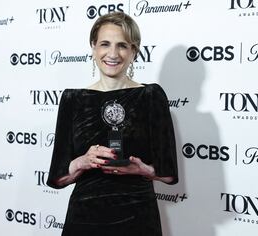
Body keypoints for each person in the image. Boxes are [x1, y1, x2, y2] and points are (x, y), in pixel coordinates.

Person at [47, 11, 178, 236]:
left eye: (122, 46)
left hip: (138, 218)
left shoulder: (151, 96)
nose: (113, 54)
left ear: (134, 51)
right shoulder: (73, 100)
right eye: (105, 44)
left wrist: (142, 169)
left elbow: (168, 174)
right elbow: (58, 179)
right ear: (93, 48)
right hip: (85, 219)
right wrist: (82, 162)